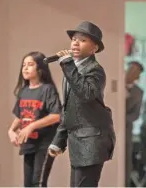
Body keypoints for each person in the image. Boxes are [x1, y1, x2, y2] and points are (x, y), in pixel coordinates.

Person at [48, 21, 116, 187]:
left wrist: (68, 64)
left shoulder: (95, 69)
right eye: (74, 39)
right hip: (78, 143)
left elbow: (86, 93)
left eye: (83, 40)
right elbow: (69, 109)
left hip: (92, 142)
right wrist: (59, 140)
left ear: (94, 49)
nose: (75, 43)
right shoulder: (70, 70)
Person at [8, 51, 62, 187]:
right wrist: (11, 131)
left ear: (39, 69)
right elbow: (21, 116)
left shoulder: (47, 89)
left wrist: (31, 126)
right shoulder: (23, 91)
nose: (25, 68)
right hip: (28, 144)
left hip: (44, 144)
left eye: (30, 64)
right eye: (23, 65)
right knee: (28, 184)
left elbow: (56, 115)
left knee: (38, 182)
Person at [125, 61, 144, 186]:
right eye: (131, 69)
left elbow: (136, 115)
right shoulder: (114, 84)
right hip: (107, 128)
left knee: (126, 160)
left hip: (126, 130)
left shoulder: (138, 92)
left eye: (136, 71)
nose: (132, 73)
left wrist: (123, 120)